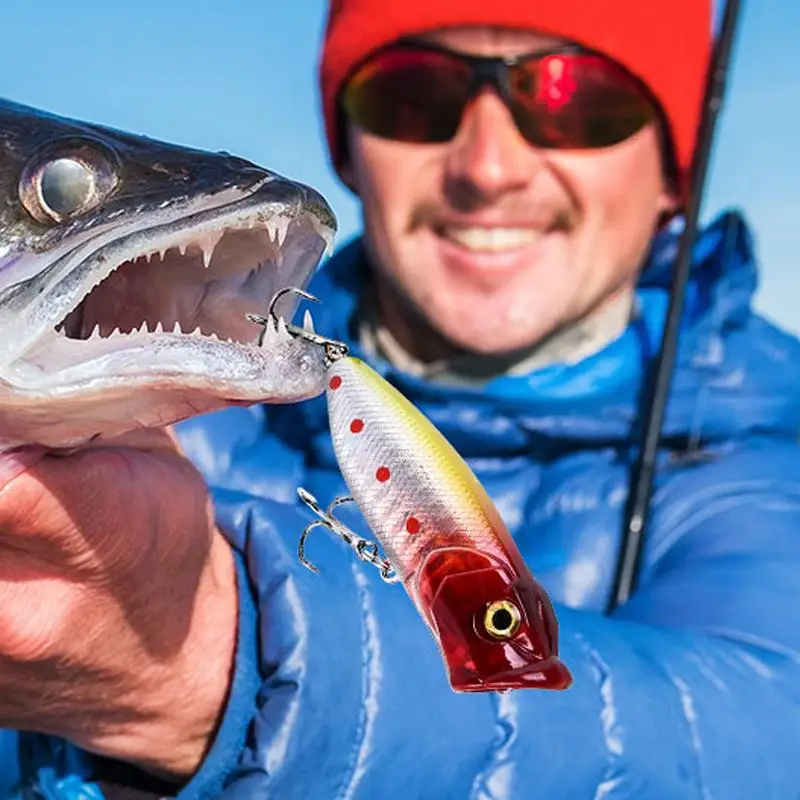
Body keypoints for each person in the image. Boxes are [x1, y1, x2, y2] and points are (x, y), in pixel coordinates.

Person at [3, 0, 800, 797]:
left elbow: (762, 734)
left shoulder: (775, 444)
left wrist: (221, 662)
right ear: (351, 149)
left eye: (574, 98)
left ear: (673, 173)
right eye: (412, 95)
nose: (488, 168)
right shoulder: (173, 412)